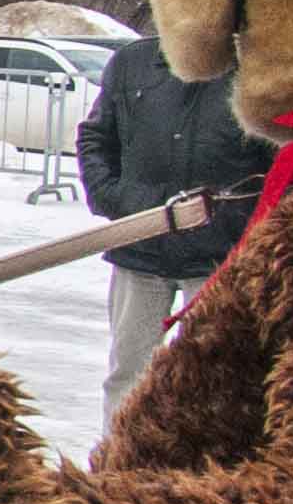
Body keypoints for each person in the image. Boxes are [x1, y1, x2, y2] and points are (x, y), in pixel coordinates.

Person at [72, 21, 271, 416]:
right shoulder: (133, 63)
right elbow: (95, 138)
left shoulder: (257, 69)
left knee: (215, 380)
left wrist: (251, 230)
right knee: (128, 375)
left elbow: (279, 160)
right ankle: (117, 468)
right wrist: (115, 197)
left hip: (220, 260)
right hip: (140, 250)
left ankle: (202, 470)